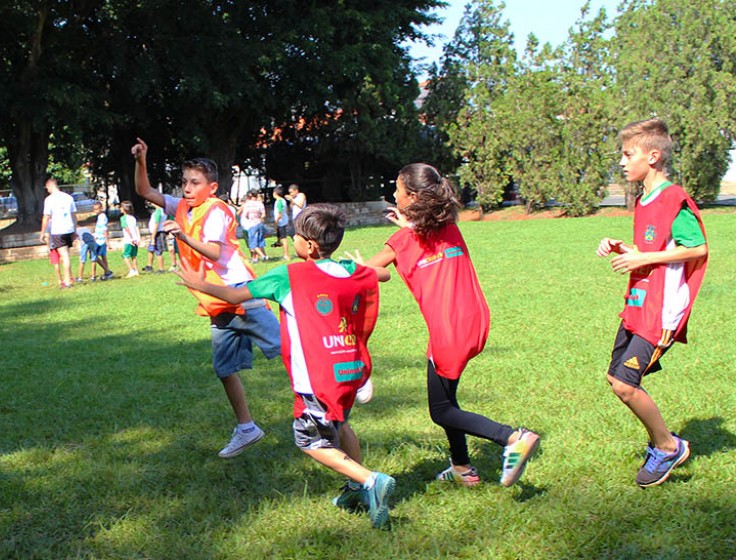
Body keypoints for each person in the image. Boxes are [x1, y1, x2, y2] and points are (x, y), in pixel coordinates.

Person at [178, 204, 396, 526]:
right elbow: (384, 274)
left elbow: (235, 296)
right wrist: (362, 266)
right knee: (340, 424)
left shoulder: (288, 275)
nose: (291, 239)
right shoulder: (350, 269)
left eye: (295, 235)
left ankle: (369, 480)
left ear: (308, 246)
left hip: (317, 379)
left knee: (310, 440)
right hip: (348, 369)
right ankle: (356, 489)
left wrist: (199, 284)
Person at [362, 163, 540, 487]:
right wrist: (409, 222)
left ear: (412, 197)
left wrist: (352, 265)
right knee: (448, 398)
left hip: (448, 331)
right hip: (475, 320)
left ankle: (513, 437)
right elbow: (423, 232)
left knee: (441, 410)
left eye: (397, 190)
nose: (393, 194)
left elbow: (368, 270)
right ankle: (462, 467)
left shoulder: (401, 240)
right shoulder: (450, 227)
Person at [133, 137, 281, 458]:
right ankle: (247, 428)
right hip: (216, 301)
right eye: (184, 181)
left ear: (211, 187)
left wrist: (183, 235)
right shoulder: (183, 206)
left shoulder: (216, 210)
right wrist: (142, 160)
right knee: (224, 368)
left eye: (194, 183)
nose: (187, 188)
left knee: (288, 347)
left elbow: (214, 251)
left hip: (240, 295)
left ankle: (347, 373)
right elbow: (145, 191)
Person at [596, 118, 708, 488]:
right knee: (616, 380)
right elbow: (656, 249)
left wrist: (643, 259)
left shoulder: (673, 198)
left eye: (629, 155)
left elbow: (697, 247)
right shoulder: (644, 199)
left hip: (661, 311)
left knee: (627, 384)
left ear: (654, 156)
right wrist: (625, 249)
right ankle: (663, 442)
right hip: (639, 304)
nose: (623, 162)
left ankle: (668, 446)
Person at [41, 176, 78, 289]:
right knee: (66, 255)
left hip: (58, 230)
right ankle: (69, 278)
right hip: (69, 229)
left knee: (65, 256)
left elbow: (46, 217)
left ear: (49, 186)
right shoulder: (68, 197)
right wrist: (75, 230)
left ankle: (67, 282)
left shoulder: (49, 200)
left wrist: (42, 232)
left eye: (47, 188)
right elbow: (74, 215)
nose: (47, 190)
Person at [240, 191, 268, 262]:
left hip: (252, 225)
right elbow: (263, 214)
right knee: (260, 241)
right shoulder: (260, 204)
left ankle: (263, 256)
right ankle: (257, 258)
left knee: (252, 243)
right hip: (260, 223)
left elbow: (246, 215)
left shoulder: (247, 204)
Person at [91, 202, 114, 280]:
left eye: (97, 209)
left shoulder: (102, 217)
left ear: (101, 208)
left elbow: (104, 230)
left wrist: (107, 241)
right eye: (94, 209)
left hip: (100, 240)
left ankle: (104, 272)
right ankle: (106, 272)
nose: (96, 211)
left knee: (95, 256)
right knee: (102, 256)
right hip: (98, 238)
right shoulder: (100, 217)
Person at [144, 202, 168, 272]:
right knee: (150, 249)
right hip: (155, 233)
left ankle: (161, 268)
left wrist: (153, 237)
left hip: (157, 233)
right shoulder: (162, 211)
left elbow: (157, 225)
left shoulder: (158, 212)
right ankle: (149, 265)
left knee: (158, 251)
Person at [119, 200, 141, 277]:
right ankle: (136, 270)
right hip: (135, 239)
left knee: (125, 255)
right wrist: (137, 238)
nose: (120, 209)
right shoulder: (133, 218)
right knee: (133, 256)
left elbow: (126, 228)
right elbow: (136, 228)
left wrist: (131, 238)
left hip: (128, 239)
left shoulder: (123, 218)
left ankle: (131, 270)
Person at [272, 186, 291, 260]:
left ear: (275, 193)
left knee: (284, 238)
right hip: (284, 220)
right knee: (281, 237)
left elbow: (279, 213)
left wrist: (276, 222)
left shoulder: (279, 201)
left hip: (281, 221)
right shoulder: (283, 200)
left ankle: (286, 255)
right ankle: (280, 247)